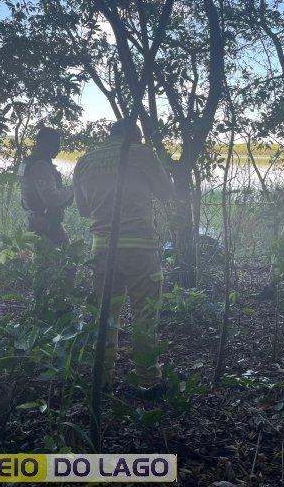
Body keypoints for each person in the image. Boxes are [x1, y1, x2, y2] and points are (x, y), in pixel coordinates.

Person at [73, 120, 175, 389]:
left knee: (106, 313)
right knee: (144, 312)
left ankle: (103, 379)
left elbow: (83, 210)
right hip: (140, 249)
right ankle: (148, 380)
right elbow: (167, 193)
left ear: (111, 136)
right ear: (137, 137)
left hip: (102, 250)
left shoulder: (86, 160)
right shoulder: (142, 153)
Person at [19, 127, 73, 247]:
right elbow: (51, 198)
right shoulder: (41, 166)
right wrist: (70, 191)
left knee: (43, 263)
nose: (58, 149)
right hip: (47, 225)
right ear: (46, 144)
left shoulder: (29, 163)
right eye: (56, 144)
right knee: (65, 261)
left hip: (36, 221)